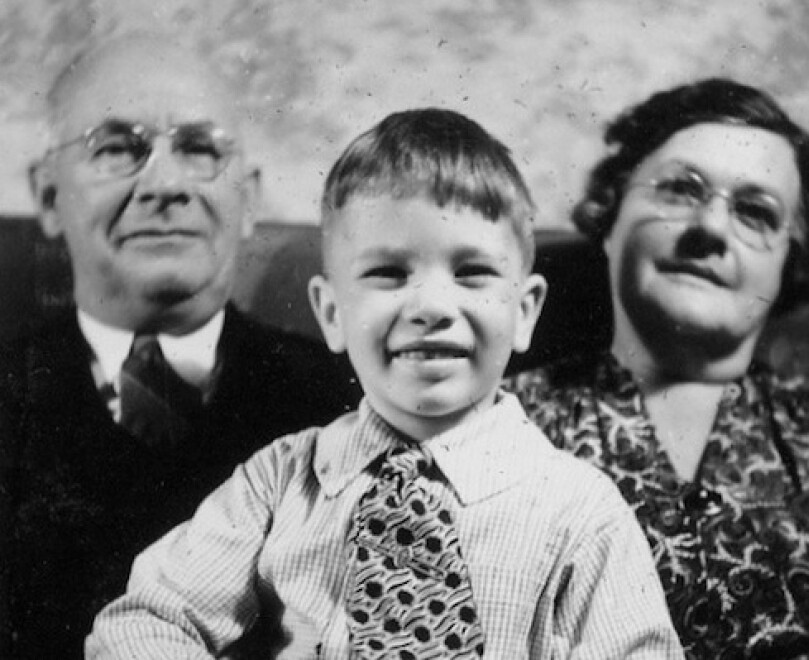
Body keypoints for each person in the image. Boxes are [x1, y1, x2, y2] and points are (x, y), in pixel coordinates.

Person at [85, 108, 683, 659]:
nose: (430, 305)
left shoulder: (579, 509)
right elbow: (143, 622)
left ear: (524, 312)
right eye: (389, 273)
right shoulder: (279, 483)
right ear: (331, 314)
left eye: (472, 273)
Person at [0, 34, 358, 660]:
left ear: (247, 198)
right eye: (116, 148)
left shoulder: (344, 408)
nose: (164, 183)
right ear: (49, 196)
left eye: (198, 149)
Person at [510, 78, 809, 659]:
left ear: (790, 262)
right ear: (610, 217)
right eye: (681, 189)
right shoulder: (492, 431)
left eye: (756, 212)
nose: (711, 228)